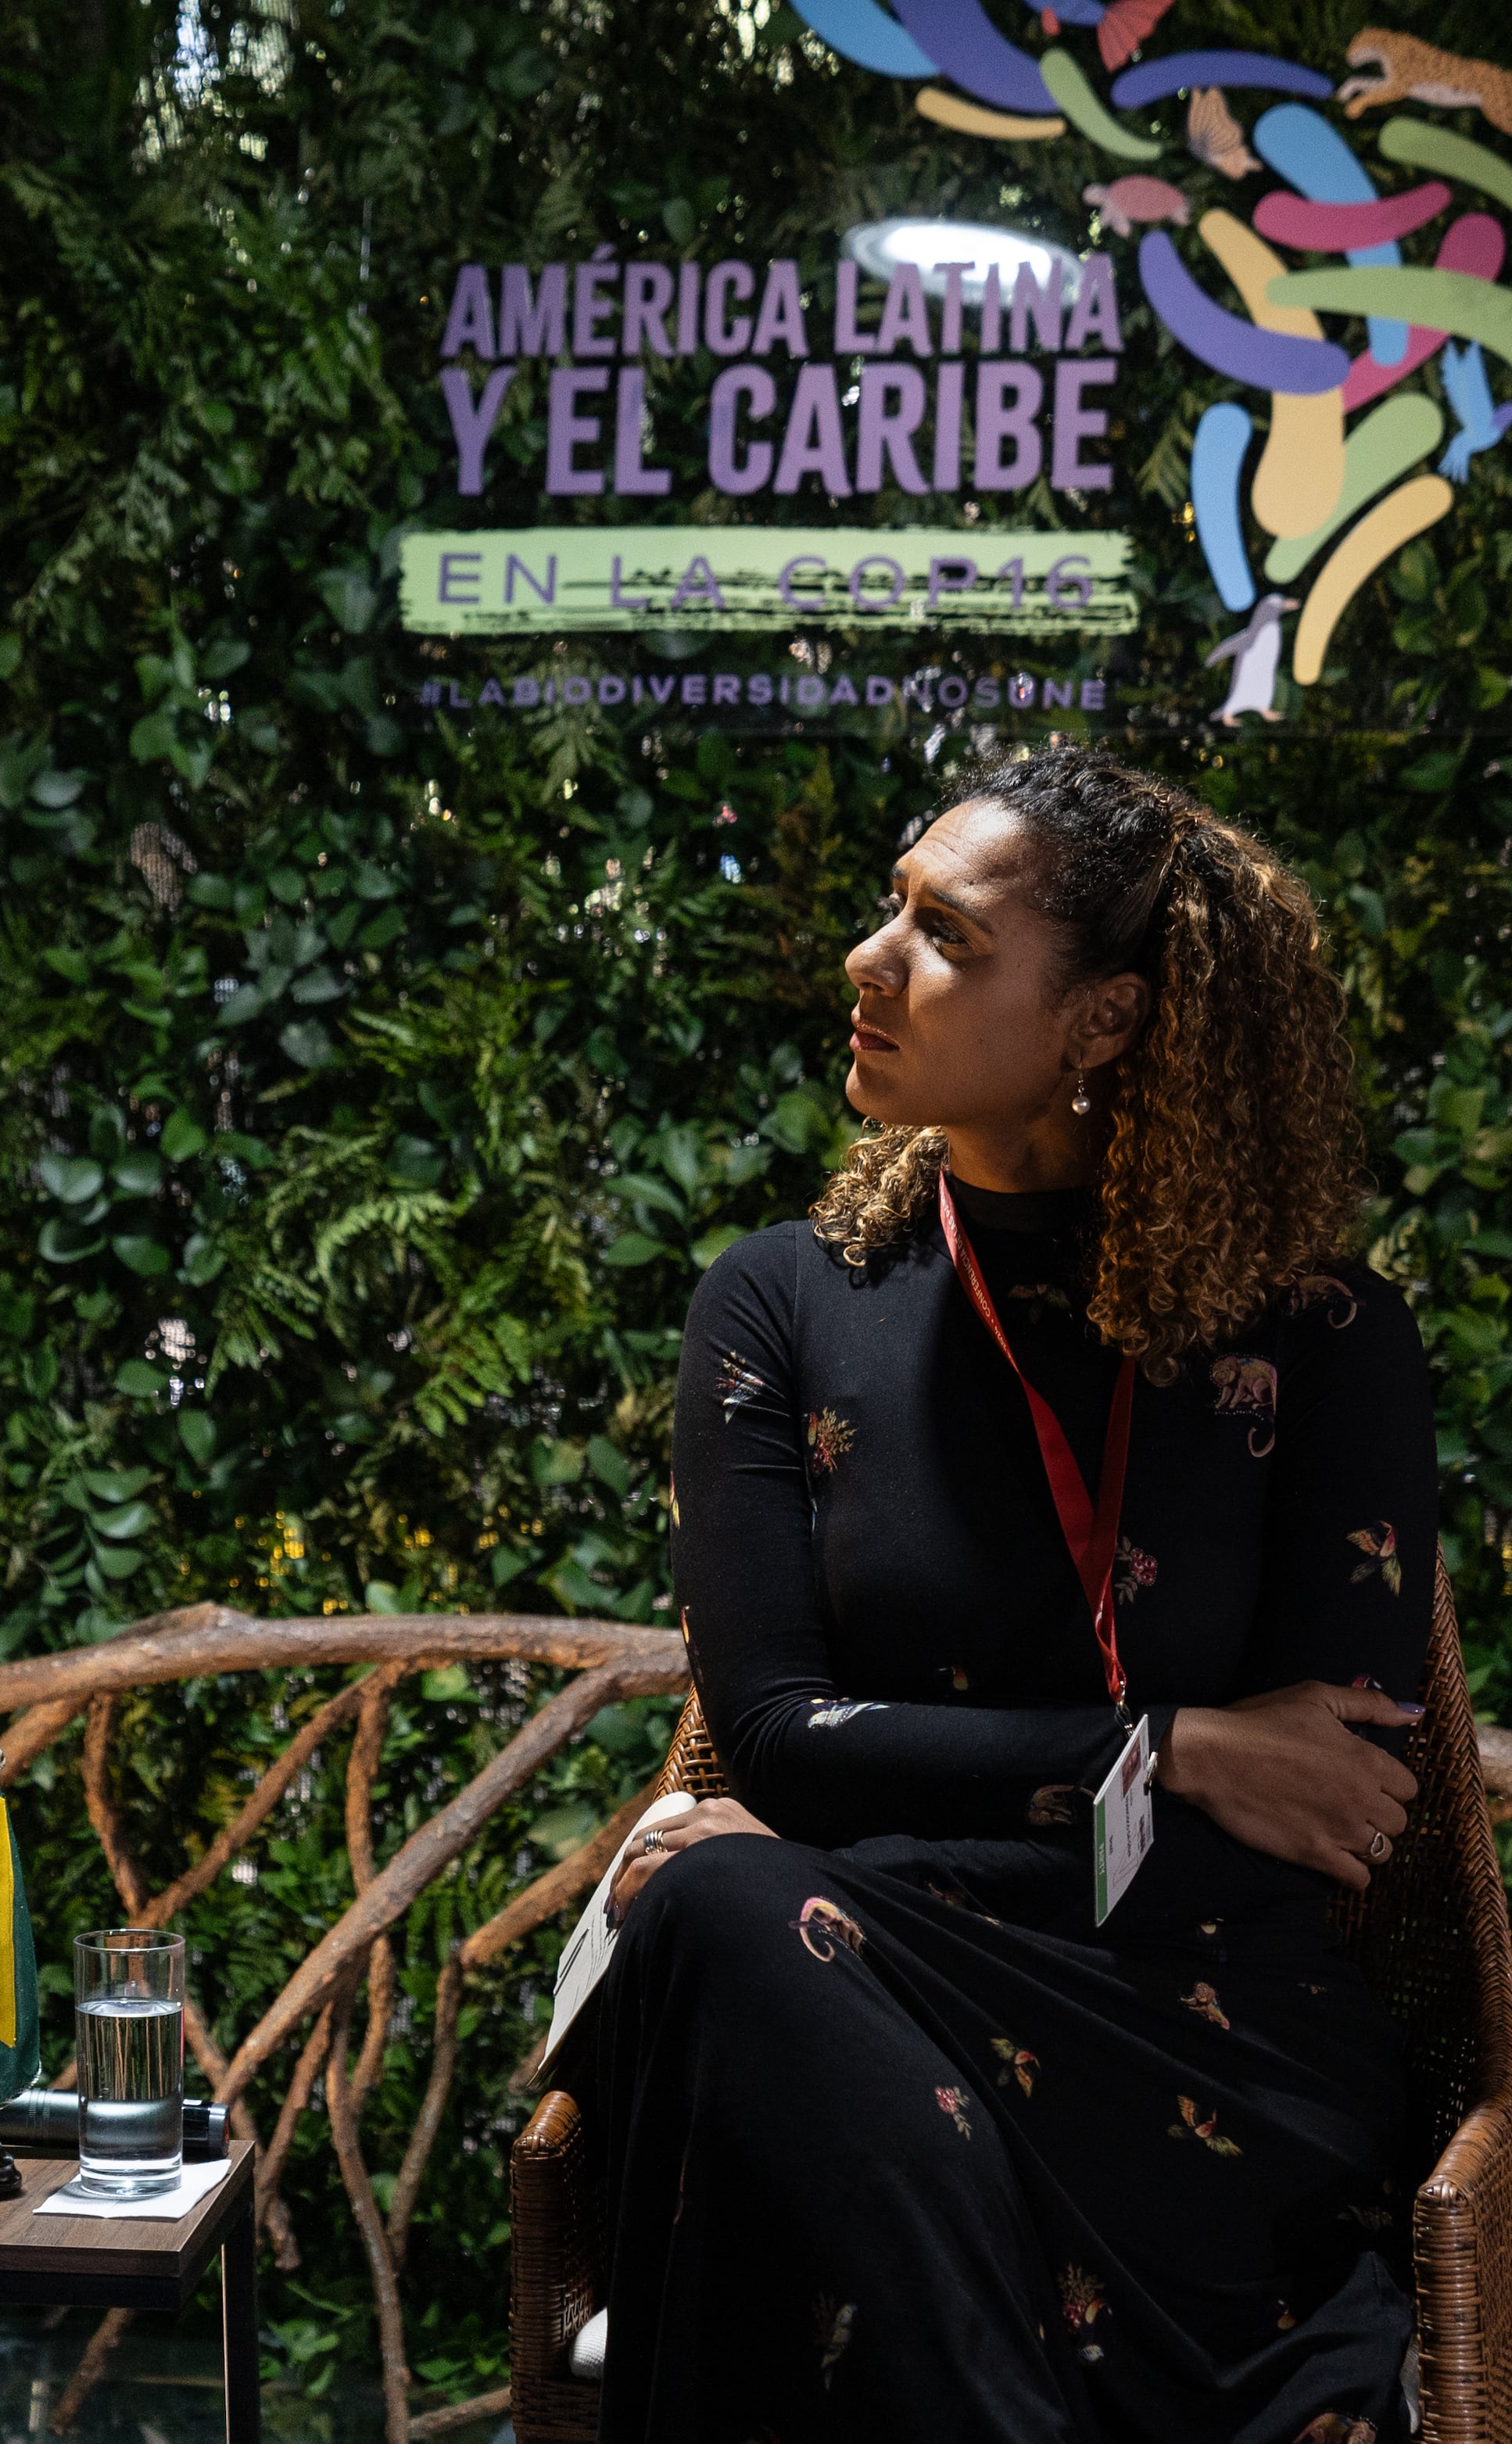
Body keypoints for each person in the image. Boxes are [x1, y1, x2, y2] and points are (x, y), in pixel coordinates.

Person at [566, 746, 1432, 2442]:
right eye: (891, 906)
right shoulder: (781, 1302)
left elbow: (1333, 1802)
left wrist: (848, 1842)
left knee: (721, 1903)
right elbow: (770, 1735)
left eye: (942, 933)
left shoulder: (1321, 1336)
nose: (865, 960)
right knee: (716, 1905)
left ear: (1104, 1020)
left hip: (1197, 2033)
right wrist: (1167, 1743)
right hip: (865, 2013)